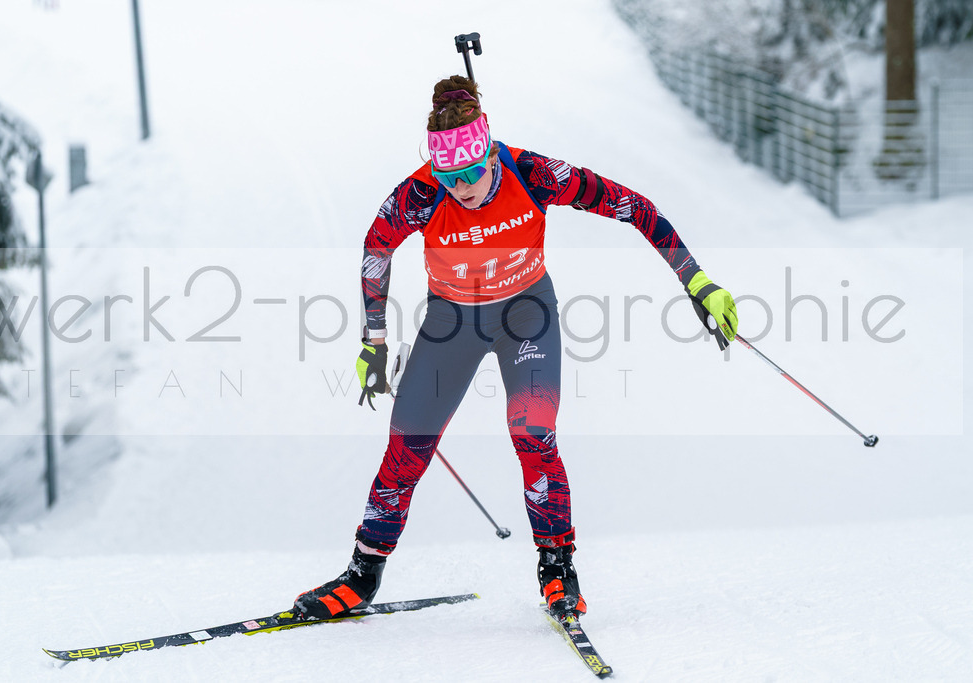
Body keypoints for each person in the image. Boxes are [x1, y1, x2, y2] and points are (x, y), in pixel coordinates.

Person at [293, 75, 738, 620]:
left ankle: (557, 569)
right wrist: (375, 342)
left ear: (489, 152)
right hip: (452, 321)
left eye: (471, 172)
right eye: (449, 176)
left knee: (533, 432)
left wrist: (696, 280)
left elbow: (634, 207)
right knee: (407, 444)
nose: (462, 187)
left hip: (526, 315)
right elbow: (375, 249)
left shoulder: (533, 173)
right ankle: (362, 576)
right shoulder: (421, 194)